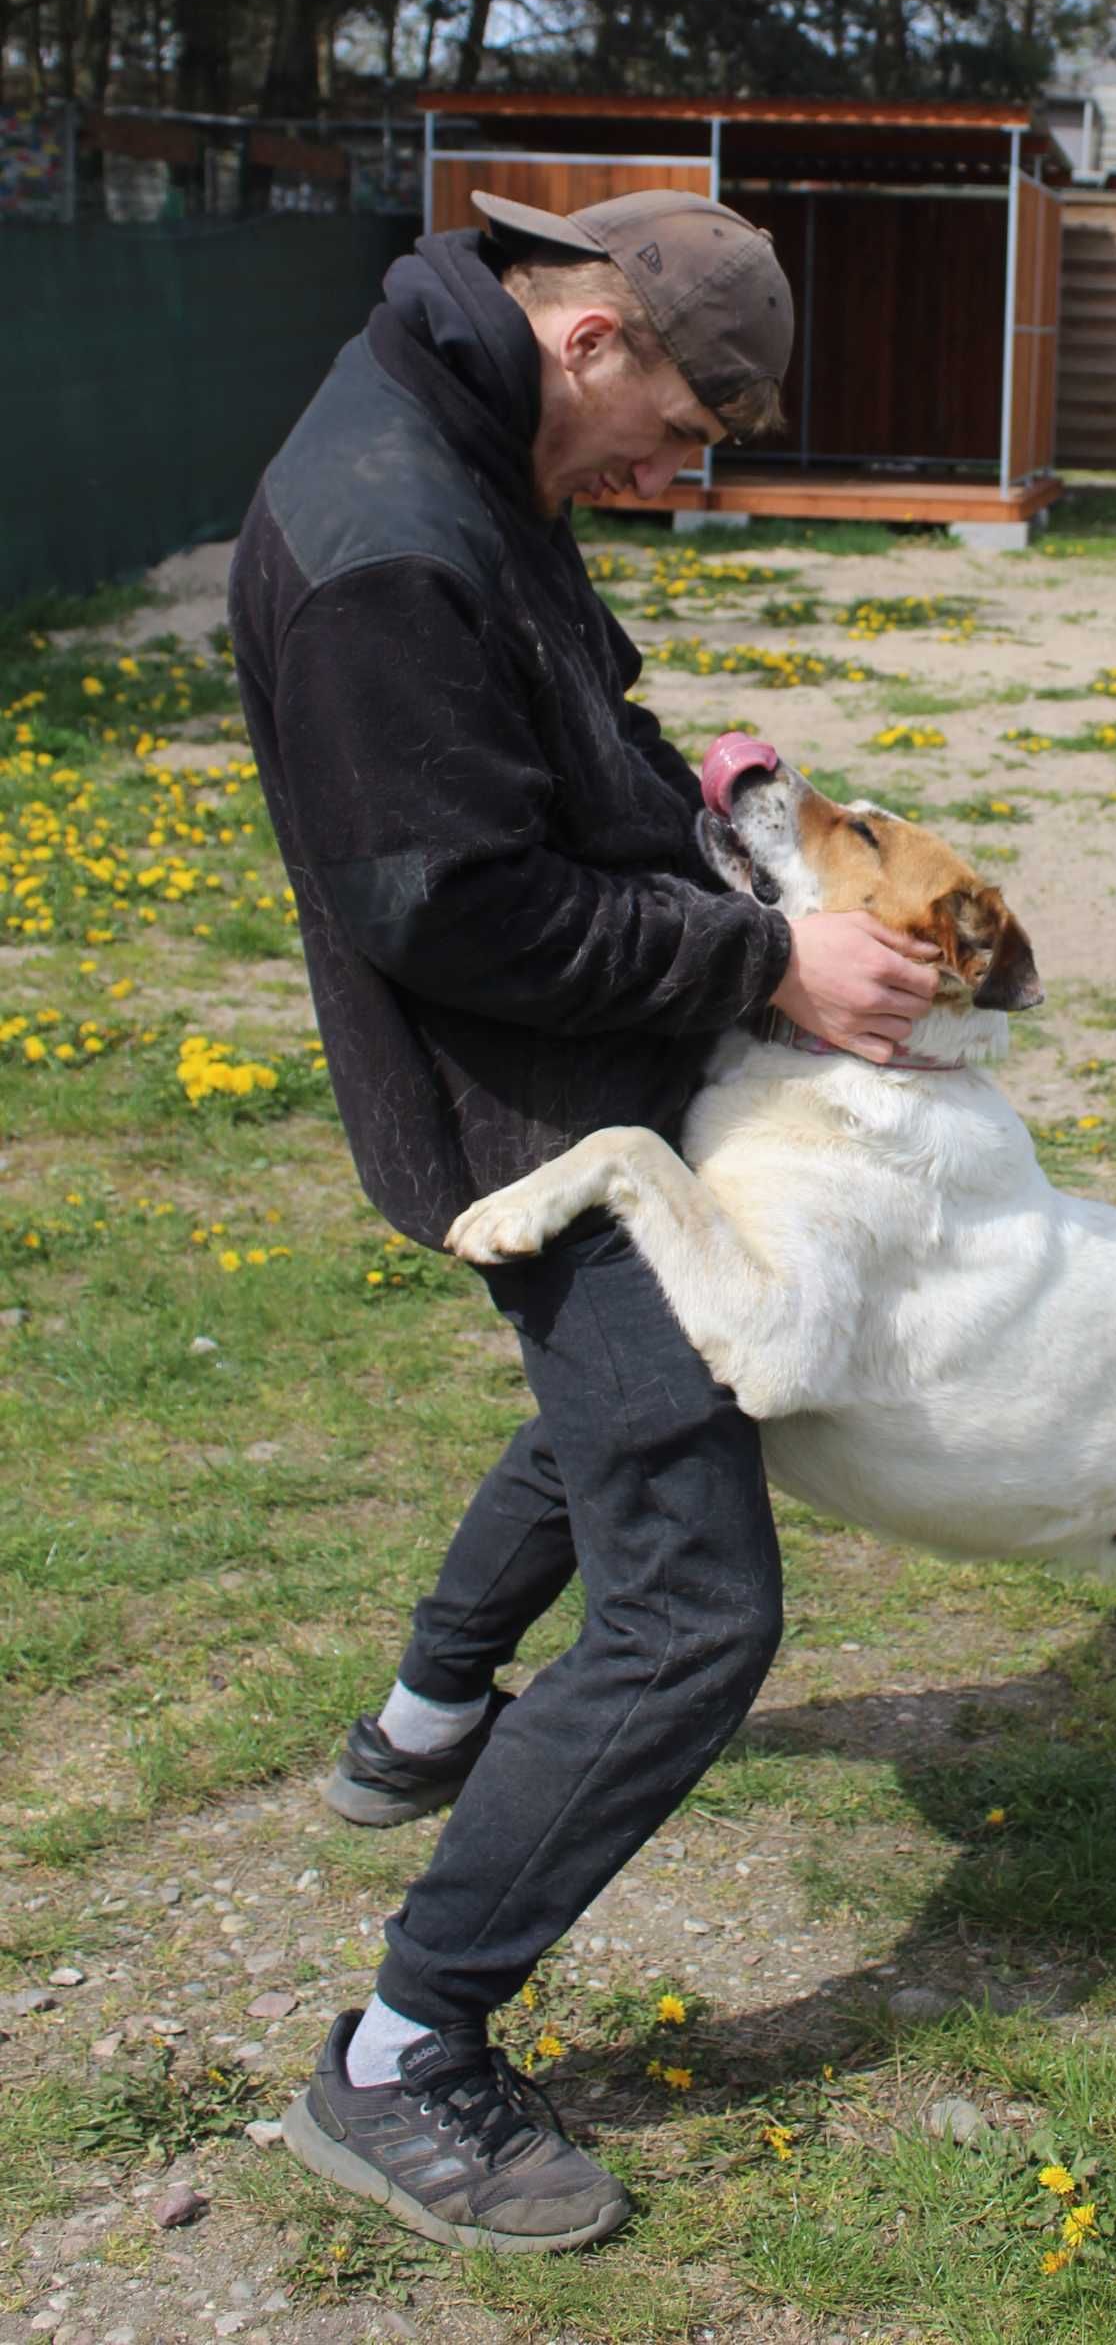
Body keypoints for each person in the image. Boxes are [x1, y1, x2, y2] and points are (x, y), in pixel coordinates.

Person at [228, 186, 938, 2253]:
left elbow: (558, 745)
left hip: (583, 1065)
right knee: (693, 1602)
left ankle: (425, 1718)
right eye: (683, 433)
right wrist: (764, 973)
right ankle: (400, 2055)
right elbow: (454, 906)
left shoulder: (459, 444)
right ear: (592, 335)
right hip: (523, 1111)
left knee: (621, 1405)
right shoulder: (390, 539)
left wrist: (718, 835)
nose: (675, 478)